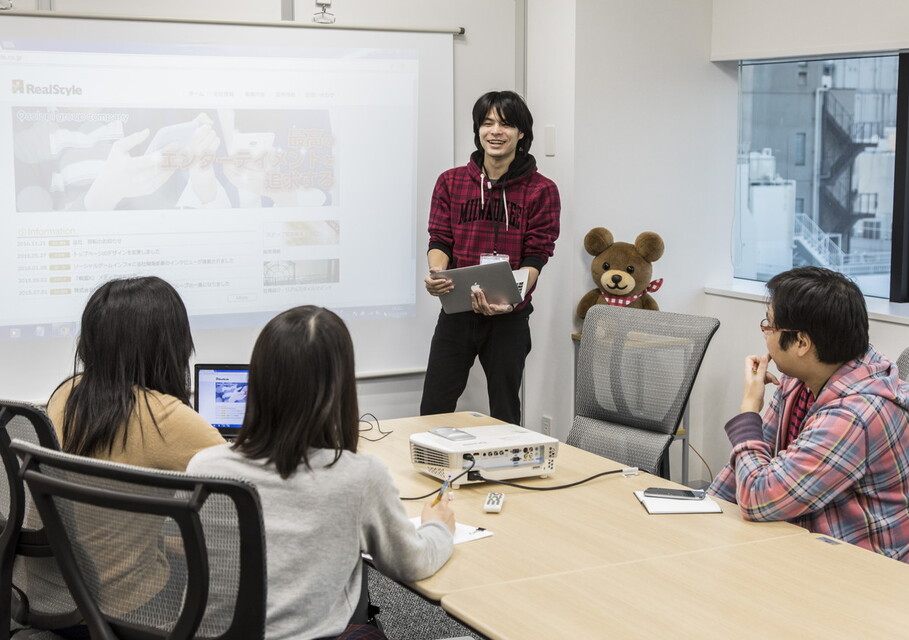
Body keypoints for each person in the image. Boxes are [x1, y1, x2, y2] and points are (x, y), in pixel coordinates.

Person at [188, 306, 455, 640]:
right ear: (339, 388)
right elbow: (410, 563)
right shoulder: (358, 476)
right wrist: (438, 527)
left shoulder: (204, 466)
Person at [35, 276, 225, 625]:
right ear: (171, 343)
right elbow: (250, 482)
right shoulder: (165, 416)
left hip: (51, 598)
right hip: (124, 611)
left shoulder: (67, 394)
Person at [707, 266, 909, 562]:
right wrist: (706, 508)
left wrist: (749, 411)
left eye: (769, 326)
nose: (765, 335)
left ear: (801, 343)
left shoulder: (853, 417)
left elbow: (759, 498)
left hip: (862, 564)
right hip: (809, 530)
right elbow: (753, 463)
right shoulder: (801, 379)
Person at [420, 90, 561, 424]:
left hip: (509, 318)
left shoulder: (542, 190)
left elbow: (536, 256)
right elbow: (440, 239)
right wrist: (437, 273)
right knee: (433, 407)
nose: (495, 131)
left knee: (505, 411)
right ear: (477, 130)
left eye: (505, 124)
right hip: (457, 312)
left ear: (522, 133)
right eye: (487, 123)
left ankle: (510, 473)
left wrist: (512, 299)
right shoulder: (451, 182)